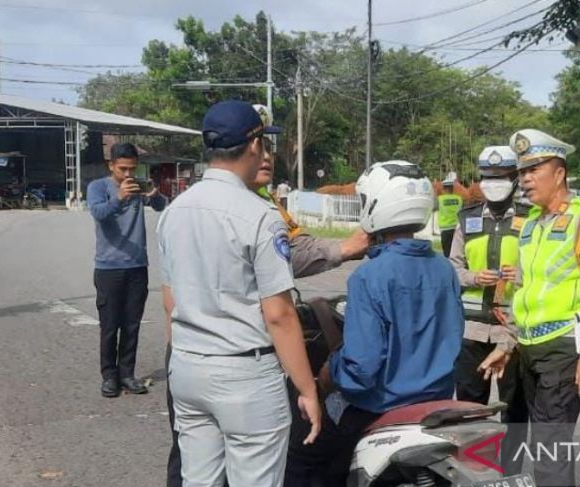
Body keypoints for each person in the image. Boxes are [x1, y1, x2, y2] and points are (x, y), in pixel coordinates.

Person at [163, 105, 369, 487]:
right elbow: (279, 314)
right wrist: (307, 388)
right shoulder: (259, 215)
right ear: (254, 144)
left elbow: (169, 299)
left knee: (198, 480)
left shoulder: (175, 210)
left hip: (188, 366)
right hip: (243, 375)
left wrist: (187, 357)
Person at [285, 160, 464, 487]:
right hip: (437, 402)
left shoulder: (369, 276)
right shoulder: (444, 269)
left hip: (380, 405)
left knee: (305, 450)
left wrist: (329, 372)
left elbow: (362, 369)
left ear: (378, 208)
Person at [507, 129, 580, 487]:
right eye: (522, 171)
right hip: (528, 348)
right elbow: (524, 290)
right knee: (544, 444)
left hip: (563, 348)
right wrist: (507, 342)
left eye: (534, 169)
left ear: (559, 172)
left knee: (549, 448)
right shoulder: (531, 224)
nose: (524, 179)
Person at [450, 146, 529, 476]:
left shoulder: (531, 218)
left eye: (500, 177)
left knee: (514, 409)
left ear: (514, 179)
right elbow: (452, 267)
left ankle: (509, 474)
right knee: (469, 408)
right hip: (471, 330)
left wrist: (522, 274)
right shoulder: (466, 219)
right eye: (487, 177)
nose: (493, 182)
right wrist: (472, 276)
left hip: (512, 332)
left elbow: (545, 269)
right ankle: (473, 471)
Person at [86, 142, 166, 398]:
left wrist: (155, 196)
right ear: (111, 165)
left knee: (132, 325)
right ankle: (109, 376)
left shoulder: (137, 185)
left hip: (137, 266)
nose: (128, 175)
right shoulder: (98, 187)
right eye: (123, 169)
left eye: (132, 169)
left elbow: (163, 206)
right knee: (110, 326)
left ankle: (128, 374)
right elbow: (98, 213)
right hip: (109, 268)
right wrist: (119, 198)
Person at [437, 177, 463, 257]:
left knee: (447, 252)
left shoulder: (439, 199)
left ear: (443, 188)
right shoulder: (459, 199)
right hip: (457, 228)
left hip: (445, 228)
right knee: (457, 251)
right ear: (452, 188)